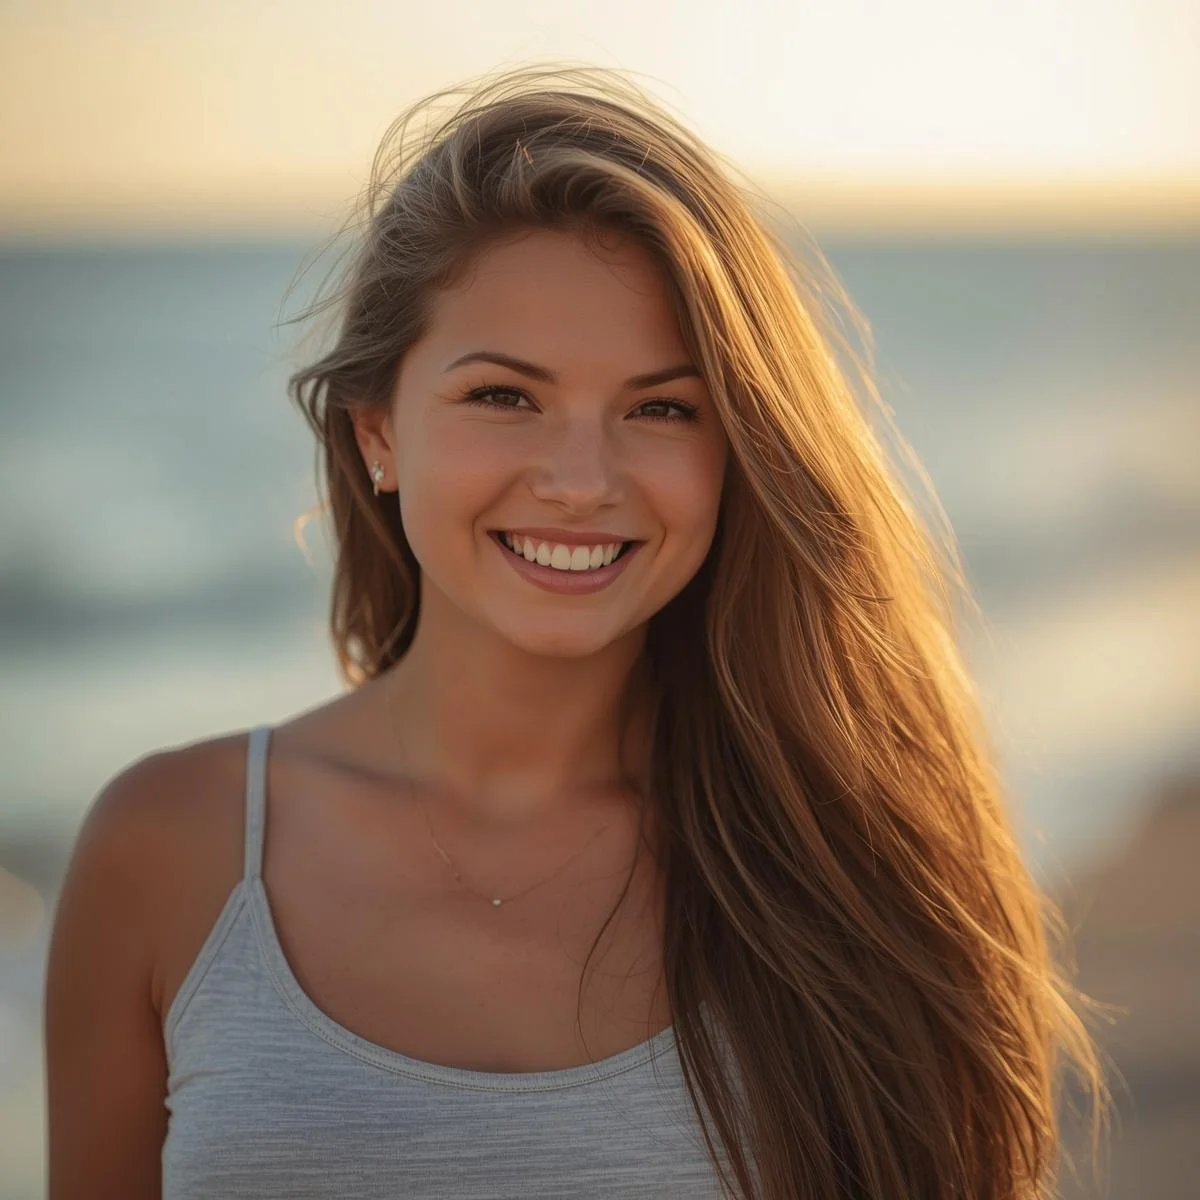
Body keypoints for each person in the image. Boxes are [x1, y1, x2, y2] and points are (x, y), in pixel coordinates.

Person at [43, 63, 1105, 1200]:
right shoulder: (170, 853)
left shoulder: (853, 868)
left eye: (662, 409)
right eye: (505, 396)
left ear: (734, 451)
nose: (582, 481)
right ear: (376, 436)